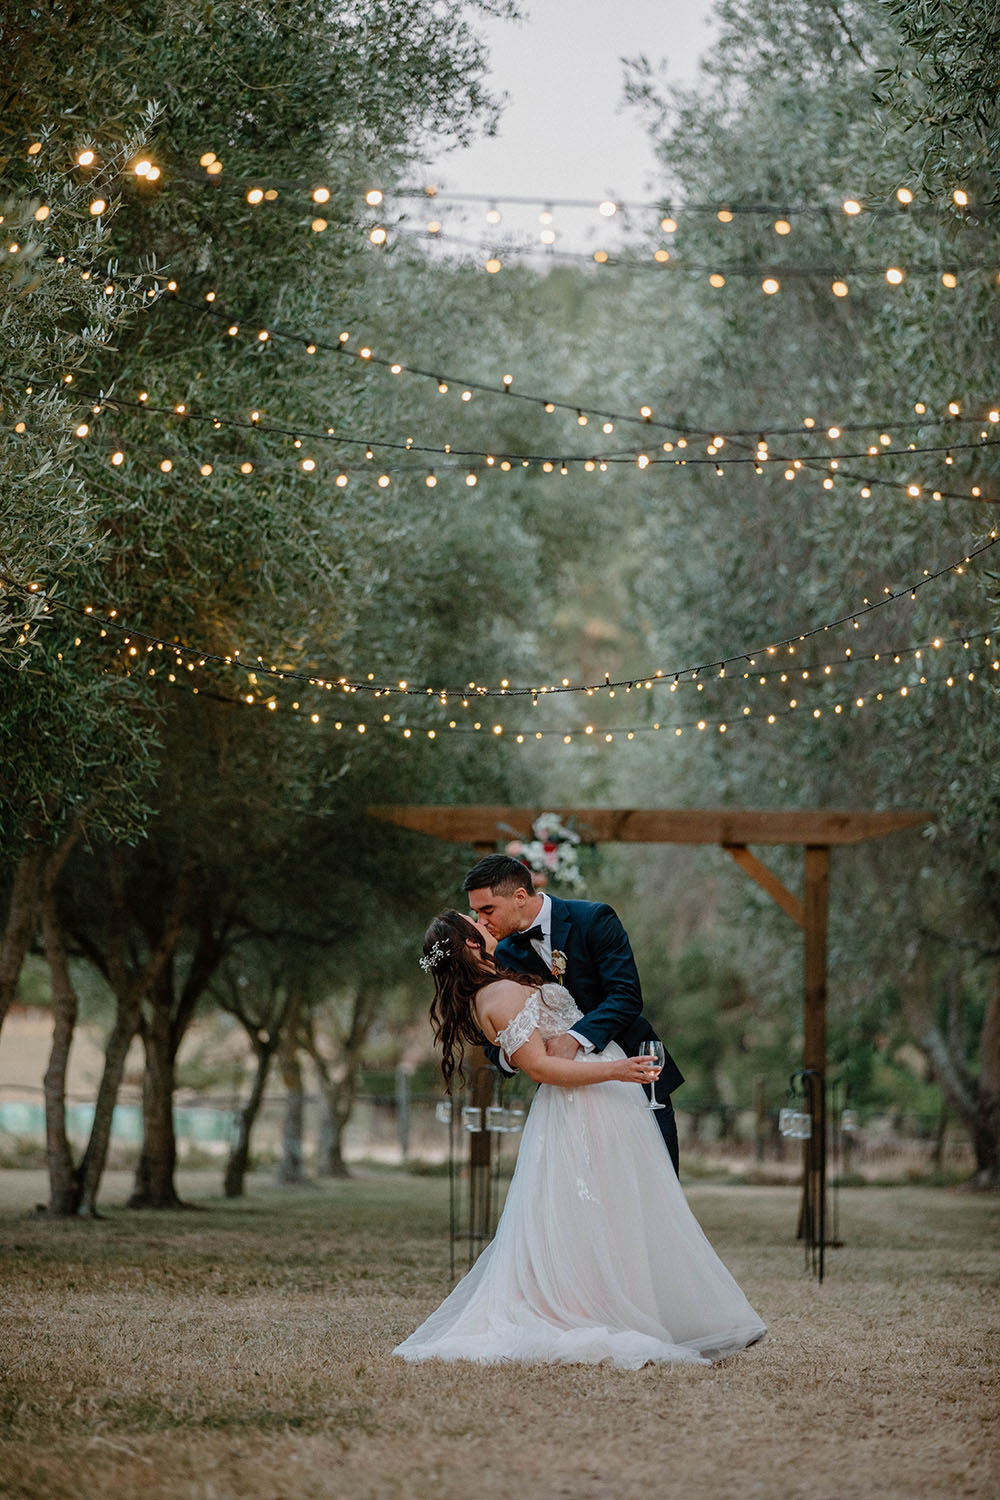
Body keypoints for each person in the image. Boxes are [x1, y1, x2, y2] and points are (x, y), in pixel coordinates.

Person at [392, 910, 766, 1368]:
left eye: (484, 912)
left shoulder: (504, 977)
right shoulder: (496, 994)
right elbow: (540, 1067)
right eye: (475, 920)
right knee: (596, 1208)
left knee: (625, 1206)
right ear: (469, 944)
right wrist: (618, 1070)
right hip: (585, 1102)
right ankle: (597, 1311)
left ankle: (649, 1308)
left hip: (603, 1101)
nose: (483, 921)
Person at [463, 853, 684, 1171]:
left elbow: (626, 995)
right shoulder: (503, 954)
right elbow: (496, 1035)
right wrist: (516, 1055)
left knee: (654, 1185)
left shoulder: (594, 919)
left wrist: (575, 1038)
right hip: (566, 1097)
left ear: (520, 897)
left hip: (635, 1076)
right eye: (476, 912)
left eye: (487, 910)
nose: (481, 922)